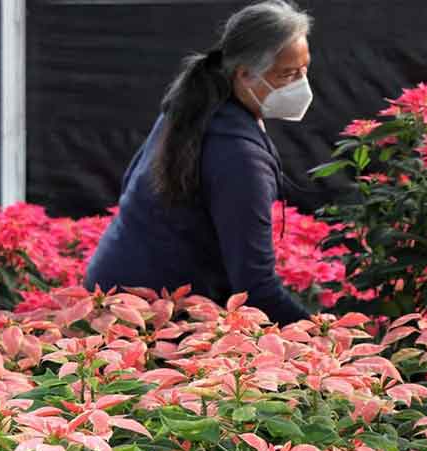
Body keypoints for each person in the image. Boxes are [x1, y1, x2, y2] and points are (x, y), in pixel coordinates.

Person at [84, 0, 314, 325]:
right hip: (150, 316)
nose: (300, 85)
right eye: (288, 74)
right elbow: (255, 287)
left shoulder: (192, 107)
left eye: (304, 70)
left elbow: (131, 185)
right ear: (246, 74)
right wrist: (323, 338)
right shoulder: (239, 156)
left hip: (114, 287)